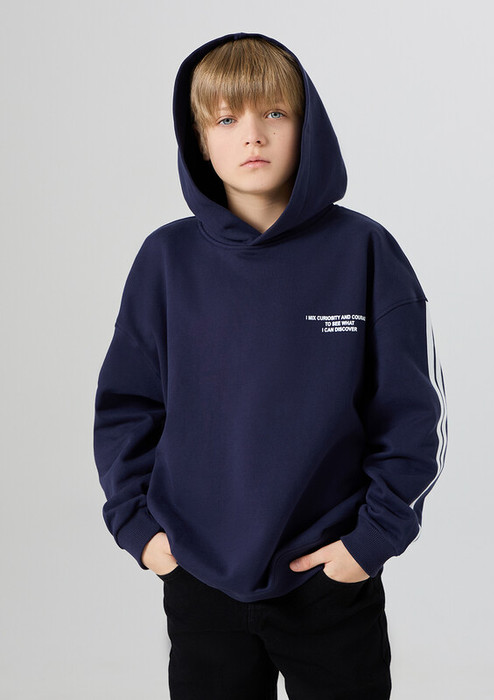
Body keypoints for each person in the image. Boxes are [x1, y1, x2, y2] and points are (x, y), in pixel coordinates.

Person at [93, 31, 447, 700]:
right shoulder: (165, 261)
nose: (252, 135)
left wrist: (370, 541)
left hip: (329, 576)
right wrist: (141, 532)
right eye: (226, 119)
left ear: (307, 127)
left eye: (275, 113)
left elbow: (413, 411)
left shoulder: (364, 250)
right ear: (200, 140)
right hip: (199, 576)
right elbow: (127, 407)